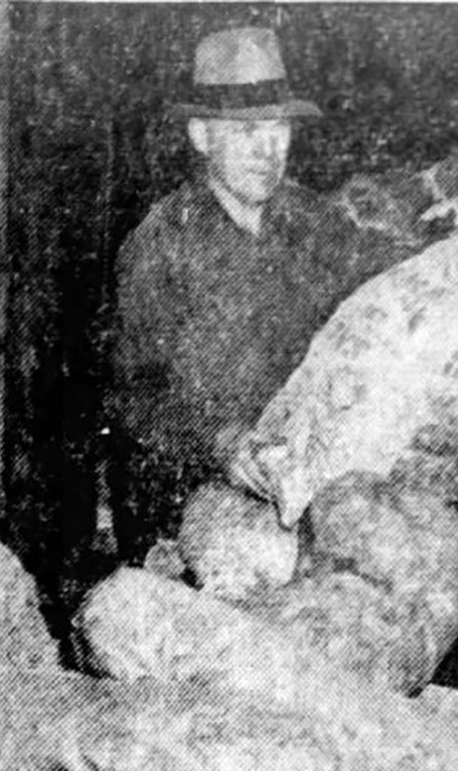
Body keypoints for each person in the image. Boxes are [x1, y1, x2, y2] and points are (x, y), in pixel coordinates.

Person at [107, 26, 401, 561]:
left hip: (299, 482)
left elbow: (386, 280)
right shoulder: (161, 243)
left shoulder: (312, 221)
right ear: (201, 136)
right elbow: (135, 398)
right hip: (189, 503)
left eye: (280, 128)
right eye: (246, 132)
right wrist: (218, 442)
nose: (268, 151)